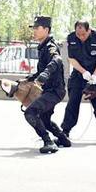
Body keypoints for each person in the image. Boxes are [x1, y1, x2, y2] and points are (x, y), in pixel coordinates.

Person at [22, 16, 70, 154]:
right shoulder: (43, 47)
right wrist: (27, 80)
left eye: (37, 28)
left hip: (54, 91)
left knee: (30, 113)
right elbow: (40, 70)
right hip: (50, 90)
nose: (34, 31)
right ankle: (63, 139)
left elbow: (57, 59)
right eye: (34, 28)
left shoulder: (50, 47)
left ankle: (48, 142)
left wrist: (46, 74)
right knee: (44, 119)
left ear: (46, 30)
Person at [60, 19, 96, 142]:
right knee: (72, 102)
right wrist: (83, 72)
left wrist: (95, 75)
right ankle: (65, 131)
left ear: (89, 30)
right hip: (79, 74)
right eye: (78, 34)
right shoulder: (71, 38)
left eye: (83, 34)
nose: (81, 37)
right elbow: (71, 59)